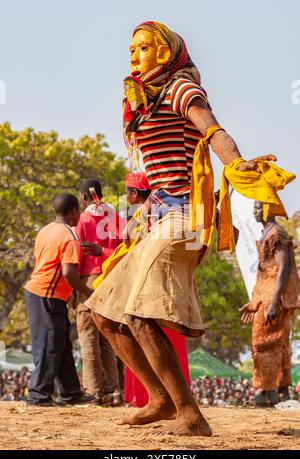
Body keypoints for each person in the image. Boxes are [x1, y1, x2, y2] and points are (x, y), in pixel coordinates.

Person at [86, 21, 294, 436]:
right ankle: (160, 399)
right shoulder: (142, 100)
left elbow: (212, 130)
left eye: (143, 49)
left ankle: (191, 415)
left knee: (139, 315)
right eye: (130, 50)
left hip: (183, 218)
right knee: (102, 313)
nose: (133, 56)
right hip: (156, 218)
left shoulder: (181, 88)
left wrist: (235, 162)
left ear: (165, 54)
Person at [123, 172, 191, 407]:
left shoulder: (144, 216)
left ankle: (152, 397)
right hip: (168, 281)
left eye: (127, 192)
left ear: (134, 193)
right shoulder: (159, 212)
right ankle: (170, 398)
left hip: (150, 281)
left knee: (146, 332)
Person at [24, 193, 94, 406]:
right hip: (47, 295)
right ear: (73, 211)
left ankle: (71, 393)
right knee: (49, 345)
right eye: (78, 211)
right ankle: (37, 394)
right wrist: (89, 293)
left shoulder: (45, 230)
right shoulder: (69, 236)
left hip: (42, 293)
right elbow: (68, 273)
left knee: (61, 344)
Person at [240, 201, 300, 406]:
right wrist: (254, 301)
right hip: (267, 295)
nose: (255, 211)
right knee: (278, 342)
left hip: (275, 297)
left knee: (264, 342)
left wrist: (274, 301)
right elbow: (265, 273)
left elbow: (282, 269)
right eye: (255, 207)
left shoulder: (277, 234)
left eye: (259, 207)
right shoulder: (269, 232)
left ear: (269, 209)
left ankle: (267, 391)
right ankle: (280, 390)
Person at [74, 179, 124, 405]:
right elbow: (127, 246)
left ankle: (93, 392)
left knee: (88, 338)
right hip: (112, 279)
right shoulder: (114, 217)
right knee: (107, 338)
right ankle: (113, 391)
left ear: (84, 197)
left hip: (90, 279)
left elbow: (77, 255)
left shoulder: (82, 219)